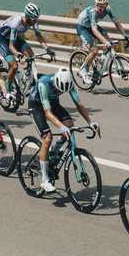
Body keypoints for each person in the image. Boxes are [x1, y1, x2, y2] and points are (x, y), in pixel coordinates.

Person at [30, 67, 96, 195]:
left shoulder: (69, 83)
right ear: (56, 81)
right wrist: (61, 126)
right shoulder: (44, 83)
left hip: (53, 103)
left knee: (70, 125)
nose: (62, 92)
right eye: (60, 90)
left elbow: (78, 104)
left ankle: (54, 151)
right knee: (47, 138)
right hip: (37, 105)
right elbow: (47, 113)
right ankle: (44, 180)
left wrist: (90, 122)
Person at [75, 0, 124, 78]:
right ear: (96, 4)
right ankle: (83, 70)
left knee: (107, 40)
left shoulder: (108, 9)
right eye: (98, 5)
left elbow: (116, 22)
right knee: (94, 51)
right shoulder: (92, 12)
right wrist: (105, 42)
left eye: (103, 5)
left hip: (90, 26)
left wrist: (124, 35)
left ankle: (102, 61)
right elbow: (94, 30)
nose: (100, 7)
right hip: (82, 27)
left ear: (106, 4)